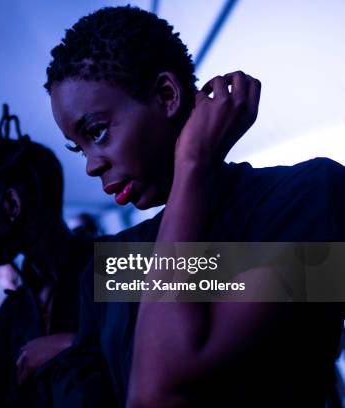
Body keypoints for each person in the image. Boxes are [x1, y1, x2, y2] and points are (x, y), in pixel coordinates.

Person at [46, 5, 345, 407]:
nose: (90, 164)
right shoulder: (112, 263)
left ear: (167, 95)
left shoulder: (309, 197)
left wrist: (192, 166)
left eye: (97, 132)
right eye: (77, 146)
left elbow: (160, 389)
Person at [0, 105, 94, 406]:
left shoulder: (109, 264)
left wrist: (74, 344)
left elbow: (216, 274)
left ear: (12, 204)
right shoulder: (9, 317)